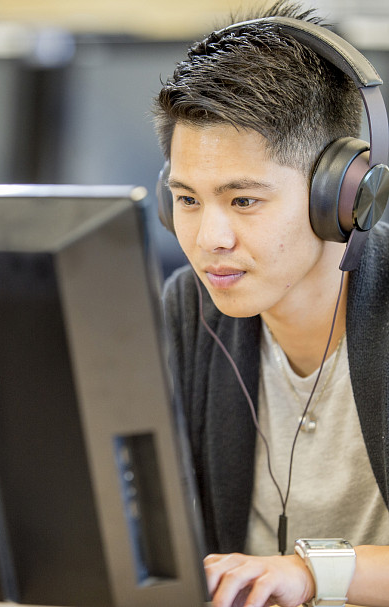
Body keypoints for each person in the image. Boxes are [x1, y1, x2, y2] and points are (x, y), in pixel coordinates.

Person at [152, 1, 389, 606]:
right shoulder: (190, 310)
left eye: (244, 201)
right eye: (187, 199)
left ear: (342, 195)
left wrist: (310, 574)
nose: (210, 240)